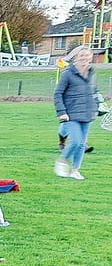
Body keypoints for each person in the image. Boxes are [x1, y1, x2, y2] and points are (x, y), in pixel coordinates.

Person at [54, 44, 96, 180]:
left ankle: (75, 170)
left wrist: (99, 104)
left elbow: (93, 91)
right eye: (81, 55)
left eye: (87, 55)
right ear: (76, 58)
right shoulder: (68, 73)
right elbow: (58, 93)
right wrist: (62, 112)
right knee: (76, 141)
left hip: (87, 113)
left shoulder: (91, 72)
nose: (84, 58)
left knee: (82, 144)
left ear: (90, 57)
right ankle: (62, 161)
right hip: (71, 114)